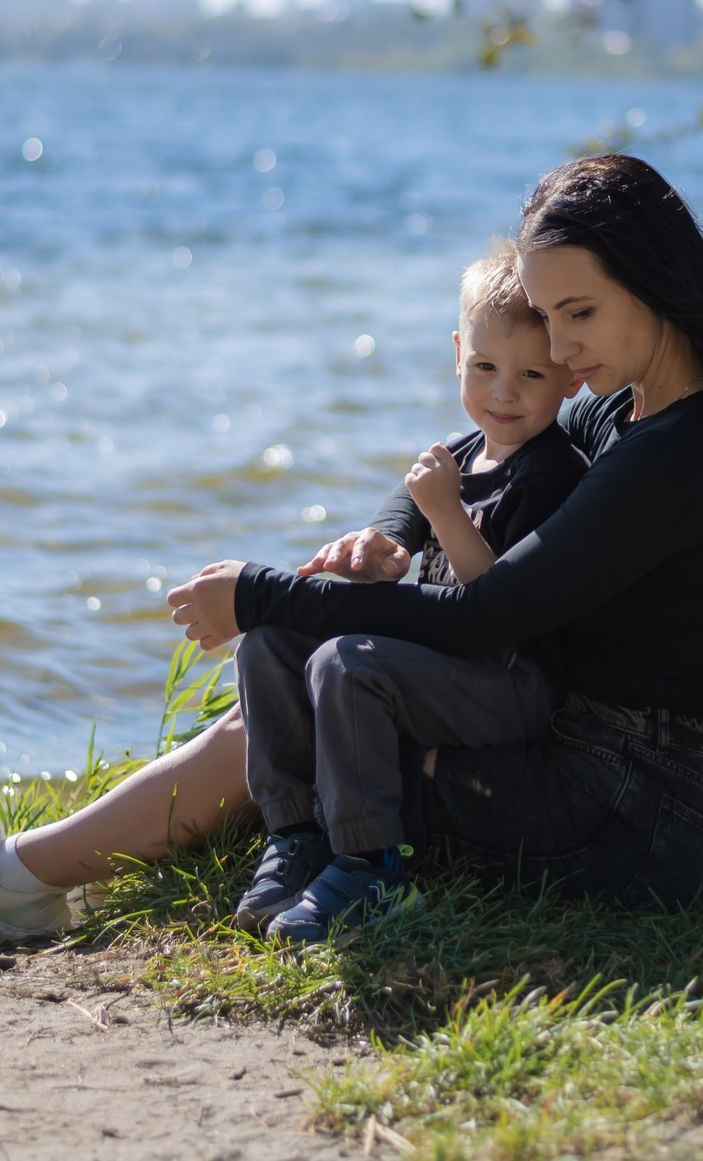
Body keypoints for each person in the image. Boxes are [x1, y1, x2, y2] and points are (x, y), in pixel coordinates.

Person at [0, 153, 703, 936]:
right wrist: (388, 536)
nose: (558, 352)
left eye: (579, 315)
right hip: (576, 755)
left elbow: (487, 614)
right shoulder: (629, 406)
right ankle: (38, 872)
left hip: (633, 814)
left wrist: (260, 592)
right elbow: (478, 448)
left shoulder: (680, 453)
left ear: (654, 283)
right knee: (293, 694)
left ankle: (17, 881)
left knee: (290, 725)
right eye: (549, 317)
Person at [231, 242, 588, 942]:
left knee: (347, 662)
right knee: (269, 642)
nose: (503, 392)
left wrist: (448, 514)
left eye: (530, 373)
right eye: (484, 367)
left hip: (511, 678)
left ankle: (371, 866)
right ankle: (297, 831)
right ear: (458, 352)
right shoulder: (460, 452)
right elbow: (404, 521)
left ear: (570, 377)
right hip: (448, 660)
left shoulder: (554, 476)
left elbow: (500, 607)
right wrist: (380, 546)